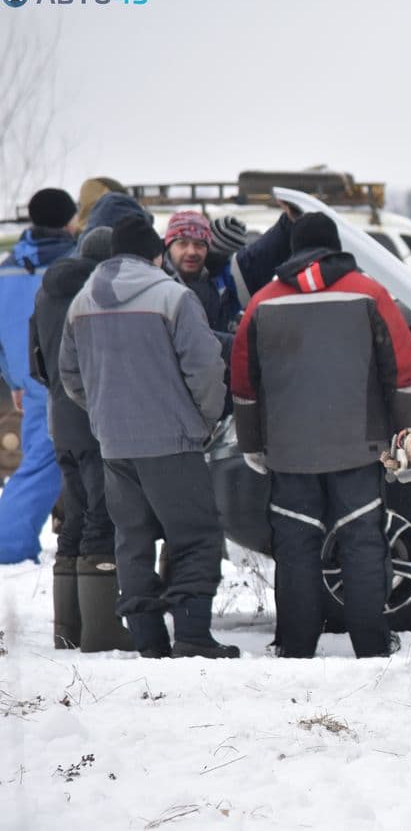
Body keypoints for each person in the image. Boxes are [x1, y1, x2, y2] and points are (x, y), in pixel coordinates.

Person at [230, 213, 411, 658]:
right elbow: (404, 370)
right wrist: (406, 435)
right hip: (359, 446)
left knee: (295, 546)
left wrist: (253, 443)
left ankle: (296, 646)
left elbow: (243, 381)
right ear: (335, 247)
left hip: (288, 452)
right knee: (362, 543)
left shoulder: (263, 301)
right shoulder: (370, 294)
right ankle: (372, 645)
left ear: (292, 249)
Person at [60, 215, 238, 658]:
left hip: (115, 445)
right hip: (173, 441)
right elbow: (206, 367)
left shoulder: (83, 302)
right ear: (157, 253)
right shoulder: (172, 296)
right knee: (196, 535)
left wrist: (105, 416)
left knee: (132, 538)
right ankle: (194, 636)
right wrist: (205, 419)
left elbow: (70, 376)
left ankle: (148, 639)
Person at [28, 225, 133, 651]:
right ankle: (101, 631)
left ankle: (67, 629)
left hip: (60, 422)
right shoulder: (98, 294)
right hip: (94, 418)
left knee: (73, 518)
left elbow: (36, 364)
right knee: (101, 515)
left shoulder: (46, 291)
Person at [0, 188, 78, 565]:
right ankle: (7, 545)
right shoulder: (76, 265)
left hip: (29, 383)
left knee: (39, 460)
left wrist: (14, 380)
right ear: (69, 220)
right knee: (45, 466)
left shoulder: (9, 266)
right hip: (70, 380)